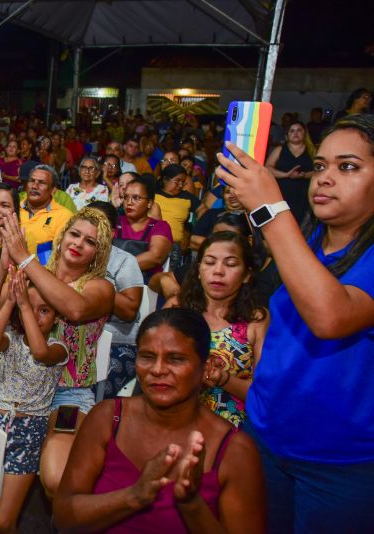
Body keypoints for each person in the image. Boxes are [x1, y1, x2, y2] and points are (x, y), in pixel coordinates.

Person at [216, 114, 374, 531]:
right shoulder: (308, 243)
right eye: (320, 166)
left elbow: (330, 315)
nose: (324, 178)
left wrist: (268, 207)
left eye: (349, 167)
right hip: (265, 435)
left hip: (338, 464)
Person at [53, 308, 266, 533]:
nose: (157, 369)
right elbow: (65, 517)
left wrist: (191, 505)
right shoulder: (108, 418)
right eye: (147, 356)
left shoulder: (234, 450)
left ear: (206, 366)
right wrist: (133, 496)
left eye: (176, 359)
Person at [0, 208, 115, 497]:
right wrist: (3, 266)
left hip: (67, 395)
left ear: (98, 253)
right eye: (74, 234)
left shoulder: (100, 288)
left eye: (90, 241)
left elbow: (74, 308)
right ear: (62, 238)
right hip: (14, 388)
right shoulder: (32, 274)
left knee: (55, 477)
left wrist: (25, 259)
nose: (78, 243)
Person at [0, 266, 67, 532]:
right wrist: (10, 301)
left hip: (28, 431)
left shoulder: (58, 348)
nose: (37, 314)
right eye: (30, 307)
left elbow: (40, 352)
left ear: (56, 318)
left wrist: (25, 306)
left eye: (45, 310)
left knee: (3, 522)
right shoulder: (13, 339)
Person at [179, 232, 269, 427]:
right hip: (177, 423)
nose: (218, 271)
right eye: (210, 262)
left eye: (230, 264)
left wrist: (223, 378)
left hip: (233, 430)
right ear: (198, 270)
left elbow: (264, 394)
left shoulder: (256, 320)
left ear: (246, 275)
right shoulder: (178, 312)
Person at [90, 201, 145, 398]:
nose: (91, 228)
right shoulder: (69, 254)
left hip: (117, 343)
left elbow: (130, 311)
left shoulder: (124, 261)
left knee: (90, 390)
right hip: (77, 339)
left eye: (99, 224)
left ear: (112, 233)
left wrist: (95, 282)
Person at [115, 178, 173, 281]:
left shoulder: (160, 226)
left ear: (149, 203)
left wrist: (117, 268)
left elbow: (156, 257)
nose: (129, 202)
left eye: (136, 198)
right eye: (126, 197)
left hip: (144, 286)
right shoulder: (114, 222)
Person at [18, 165, 73, 264]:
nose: (34, 186)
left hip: (41, 274)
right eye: (32, 181)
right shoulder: (13, 209)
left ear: (53, 190)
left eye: (42, 183)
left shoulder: (64, 216)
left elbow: (59, 256)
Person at [265, 121, 314, 226]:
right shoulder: (280, 149)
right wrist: (287, 175)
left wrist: (304, 175)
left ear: (305, 133)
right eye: (292, 131)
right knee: (282, 222)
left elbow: (320, 170)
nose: (295, 133)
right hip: (282, 193)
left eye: (299, 130)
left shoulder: (312, 150)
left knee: (303, 225)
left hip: (304, 195)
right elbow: (268, 168)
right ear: (287, 135)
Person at [155, 164, 200, 267]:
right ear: (165, 180)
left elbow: (205, 213)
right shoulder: (153, 194)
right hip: (152, 241)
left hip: (175, 245)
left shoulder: (187, 197)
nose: (180, 185)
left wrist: (190, 232)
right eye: (177, 181)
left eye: (183, 183)